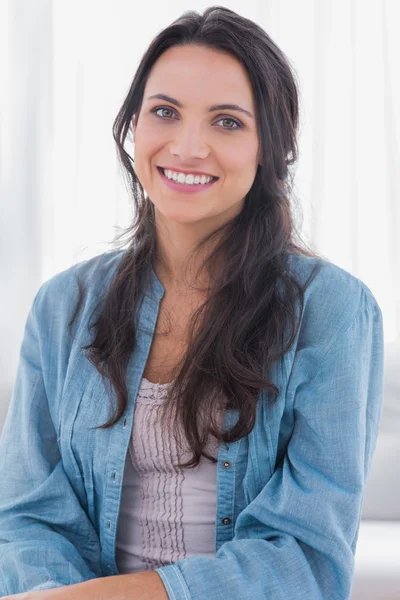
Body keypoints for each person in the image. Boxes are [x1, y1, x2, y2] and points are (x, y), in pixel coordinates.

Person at [0, 6, 384, 600]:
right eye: (164, 112)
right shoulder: (62, 306)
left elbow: (307, 558)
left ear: (269, 149)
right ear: (133, 126)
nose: (187, 146)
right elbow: (28, 519)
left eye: (227, 122)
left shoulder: (332, 311)